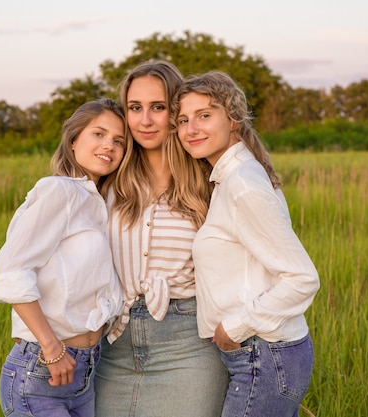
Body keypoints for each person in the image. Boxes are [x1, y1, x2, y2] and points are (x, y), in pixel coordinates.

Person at [172, 71, 320, 417]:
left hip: (264, 354)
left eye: (204, 115)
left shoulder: (242, 184)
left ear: (234, 119)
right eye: (183, 120)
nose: (191, 129)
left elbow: (302, 278)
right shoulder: (232, 178)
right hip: (260, 353)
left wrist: (233, 327)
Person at [94, 61, 229, 417]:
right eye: (135, 108)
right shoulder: (106, 179)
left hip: (188, 344)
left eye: (158, 107)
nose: (145, 121)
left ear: (176, 111)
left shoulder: (210, 180)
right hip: (113, 343)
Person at [0, 98, 129, 417]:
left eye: (119, 140)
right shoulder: (59, 191)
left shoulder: (101, 205)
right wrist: (52, 348)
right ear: (73, 140)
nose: (109, 145)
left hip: (86, 370)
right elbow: (11, 271)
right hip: (43, 371)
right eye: (99, 133)